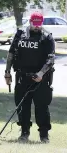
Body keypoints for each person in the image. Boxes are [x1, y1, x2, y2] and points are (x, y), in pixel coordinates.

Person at [4, 12, 55, 143]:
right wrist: (7, 72)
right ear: (30, 22)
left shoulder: (47, 37)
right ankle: (24, 132)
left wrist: (41, 73)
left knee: (42, 107)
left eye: (39, 24)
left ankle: (44, 135)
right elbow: (11, 54)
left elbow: (50, 59)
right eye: (34, 24)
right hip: (22, 76)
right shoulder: (20, 35)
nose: (37, 27)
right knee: (22, 106)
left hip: (40, 78)